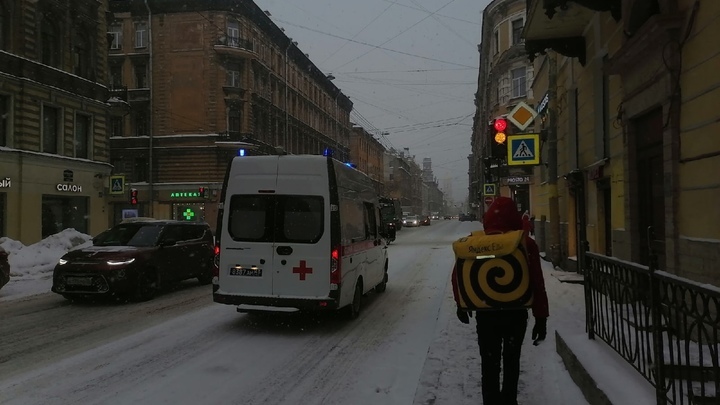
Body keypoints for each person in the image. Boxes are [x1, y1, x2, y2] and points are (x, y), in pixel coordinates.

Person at [452, 196, 549, 405]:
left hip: (486, 313)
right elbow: (537, 281)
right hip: (516, 312)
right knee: (512, 359)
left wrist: (461, 304)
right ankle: (509, 400)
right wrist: (541, 317)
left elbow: (458, 275)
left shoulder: (475, 241)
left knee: (489, 361)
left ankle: (490, 400)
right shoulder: (524, 243)